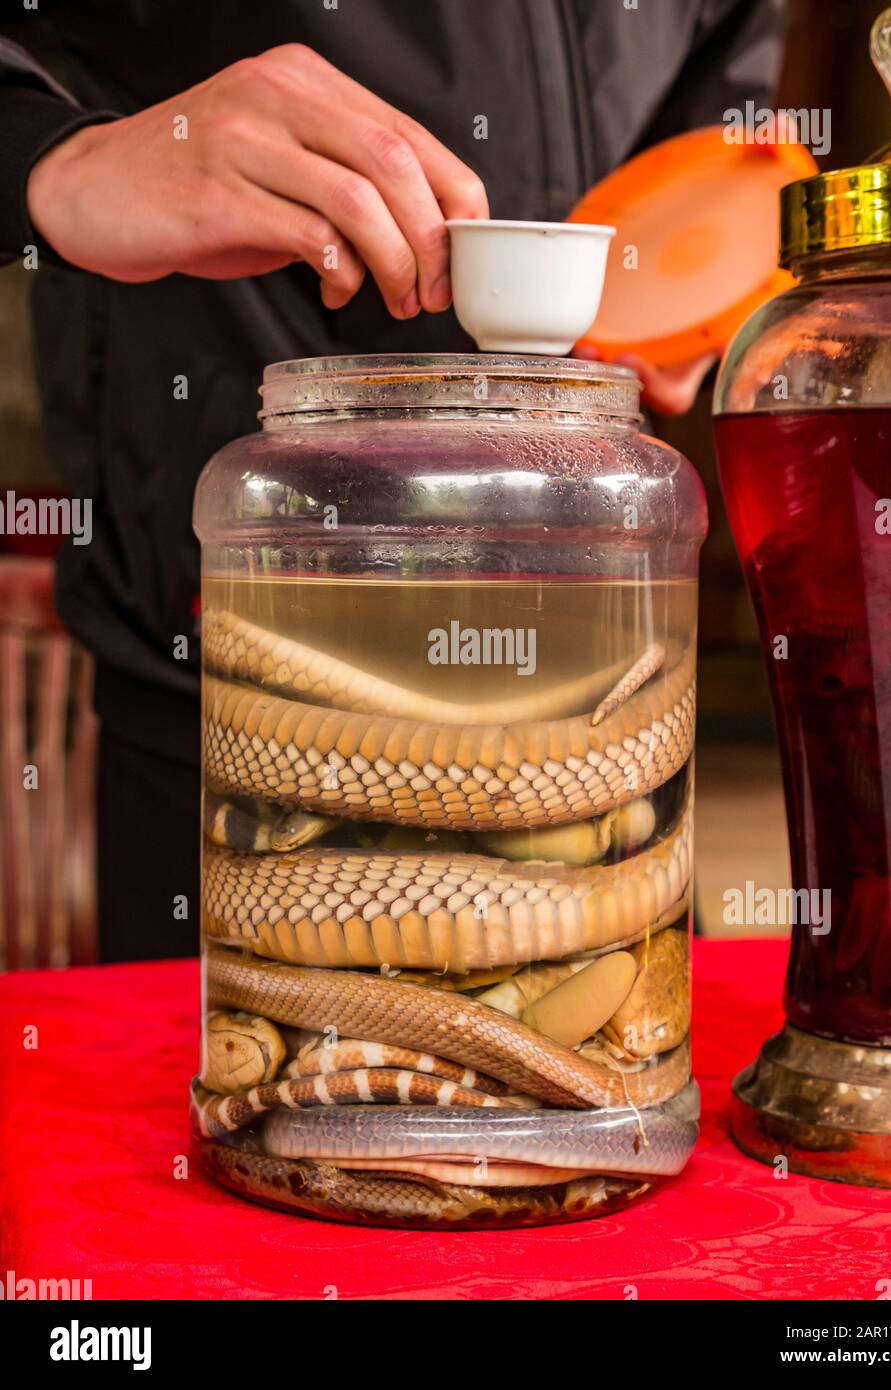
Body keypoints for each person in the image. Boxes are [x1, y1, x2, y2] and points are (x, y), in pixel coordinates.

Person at [0, 0, 786, 960]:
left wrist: (693, 243)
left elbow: (726, 52)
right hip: (237, 660)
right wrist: (50, 157)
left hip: (599, 689)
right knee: (226, 1083)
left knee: (618, 1061)